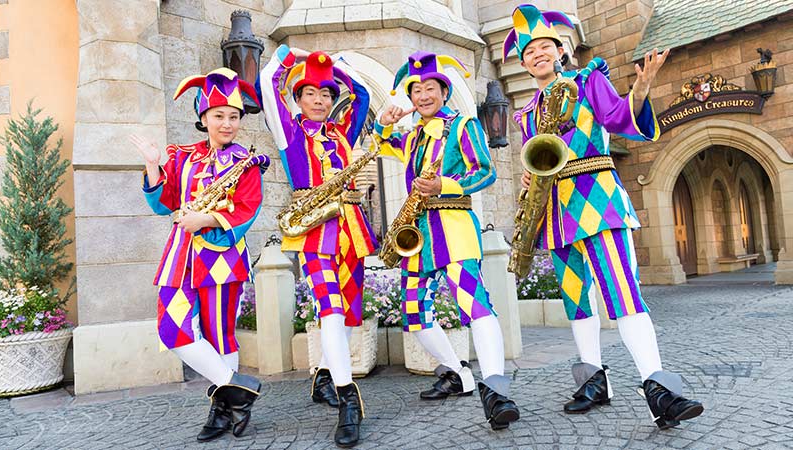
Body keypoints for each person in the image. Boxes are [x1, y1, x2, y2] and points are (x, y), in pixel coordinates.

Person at [505, 4, 703, 429]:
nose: (538, 54)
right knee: (576, 300)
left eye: (545, 46)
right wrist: (526, 180)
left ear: (560, 51)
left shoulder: (587, 81)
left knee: (623, 293)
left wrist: (642, 89)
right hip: (554, 214)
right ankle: (593, 380)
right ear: (522, 62)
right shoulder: (526, 113)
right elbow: (537, 162)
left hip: (599, 201)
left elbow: (617, 118)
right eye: (530, 50)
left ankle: (658, 386)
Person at [374, 51, 520, 430]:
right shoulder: (413, 136)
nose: (423, 95)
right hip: (418, 237)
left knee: (474, 304)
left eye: (430, 88)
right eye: (416, 90)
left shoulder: (463, 125)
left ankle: (495, 387)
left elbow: (485, 172)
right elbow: (383, 148)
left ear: (444, 91)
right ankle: (458, 373)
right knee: (414, 313)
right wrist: (383, 125)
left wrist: (445, 184)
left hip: (453, 228)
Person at [131, 67, 270, 442]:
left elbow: (248, 207)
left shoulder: (248, 163)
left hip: (223, 258)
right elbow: (164, 204)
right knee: (172, 329)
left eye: (233, 116)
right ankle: (238, 390)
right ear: (203, 117)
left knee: (220, 335)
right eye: (218, 115)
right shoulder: (182, 157)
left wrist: (206, 217)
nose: (227, 123)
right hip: (180, 256)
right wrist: (151, 163)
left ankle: (222, 412)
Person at [259, 45, 376, 448]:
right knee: (330, 308)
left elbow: (362, 94)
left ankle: (324, 376)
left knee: (346, 315)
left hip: (350, 227)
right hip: (314, 231)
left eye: (326, 94)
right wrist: (295, 57)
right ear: (298, 98)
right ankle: (347, 398)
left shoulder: (343, 130)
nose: (320, 100)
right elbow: (268, 80)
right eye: (311, 93)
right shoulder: (287, 130)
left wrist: (334, 66)